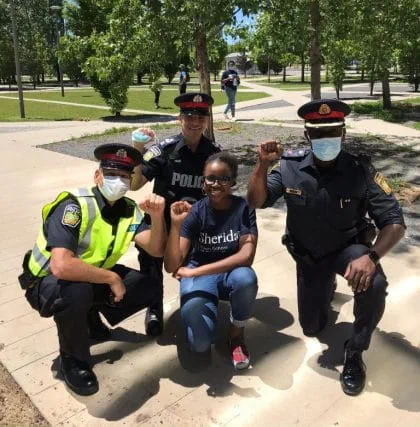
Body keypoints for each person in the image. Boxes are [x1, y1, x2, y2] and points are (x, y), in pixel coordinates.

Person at [247, 99, 406, 395]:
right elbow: (257, 200)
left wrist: (371, 257)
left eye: (332, 132)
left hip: (349, 250)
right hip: (309, 255)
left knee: (374, 283)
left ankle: (355, 351)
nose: (325, 139)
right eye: (318, 134)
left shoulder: (360, 170)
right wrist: (262, 165)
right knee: (311, 327)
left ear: (343, 134)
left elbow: (394, 221)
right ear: (307, 136)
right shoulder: (290, 167)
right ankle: (325, 289)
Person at [18, 143, 167, 396]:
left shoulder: (130, 211)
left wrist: (158, 216)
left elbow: (156, 250)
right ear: (97, 176)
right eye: (111, 174)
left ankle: (88, 317)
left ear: (131, 180)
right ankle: (72, 360)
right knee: (77, 293)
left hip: (89, 276)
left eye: (123, 176)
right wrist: (111, 278)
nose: (117, 181)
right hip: (47, 282)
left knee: (148, 286)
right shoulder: (74, 206)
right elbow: (62, 265)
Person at [130, 93, 221, 336]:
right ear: (180, 118)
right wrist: (138, 148)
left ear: (206, 120)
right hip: (160, 222)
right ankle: (154, 309)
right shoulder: (164, 150)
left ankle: (195, 304)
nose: (195, 121)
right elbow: (134, 184)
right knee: (150, 267)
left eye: (201, 116)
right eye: (189, 116)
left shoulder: (214, 154)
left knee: (196, 271)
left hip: (193, 227)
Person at [164, 152, 258, 369]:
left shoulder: (244, 208)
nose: (216, 184)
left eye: (223, 178)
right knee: (200, 345)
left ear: (233, 181)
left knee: (246, 278)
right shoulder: (196, 211)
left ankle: (236, 335)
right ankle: (198, 316)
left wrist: (195, 273)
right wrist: (176, 225)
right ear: (203, 180)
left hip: (226, 273)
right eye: (211, 178)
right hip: (200, 271)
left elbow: (246, 256)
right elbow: (171, 265)